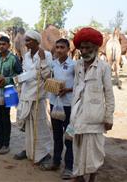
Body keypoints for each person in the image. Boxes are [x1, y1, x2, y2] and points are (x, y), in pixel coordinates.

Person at [70, 27, 115, 182]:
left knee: (94, 151)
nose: (84, 50)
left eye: (87, 47)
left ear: (95, 48)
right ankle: (79, 176)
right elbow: (76, 88)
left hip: (95, 116)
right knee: (78, 148)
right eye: (81, 47)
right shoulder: (77, 65)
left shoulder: (104, 67)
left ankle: (92, 178)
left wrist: (109, 117)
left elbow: (108, 93)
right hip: (78, 114)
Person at [14, 30, 53, 169]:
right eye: (26, 40)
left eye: (29, 40)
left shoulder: (46, 55)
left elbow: (47, 75)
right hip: (26, 93)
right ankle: (30, 150)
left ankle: (44, 154)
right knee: (28, 125)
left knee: (40, 126)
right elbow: (26, 73)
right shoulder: (26, 56)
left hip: (38, 95)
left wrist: (42, 60)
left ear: (37, 41)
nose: (26, 43)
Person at [47, 38, 75, 179]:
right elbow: (48, 79)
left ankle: (69, 167)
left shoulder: (74, 65)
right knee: (57, 136)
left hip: (68, 105)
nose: (58, 50)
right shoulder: (53, 64)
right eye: (57, 47)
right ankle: (56, 162)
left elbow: (79, 85)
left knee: (69, 137)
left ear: (68, 49)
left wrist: (68, 89)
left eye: (62, 47)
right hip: (54, 103)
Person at [0, 36, 22, 155]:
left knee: (5, 118)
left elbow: (20, 75)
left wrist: (7, 80)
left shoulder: (13, 59)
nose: (1, 46)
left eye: (4, 44)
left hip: (7, 93)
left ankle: (6, 144)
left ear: (9, 45)